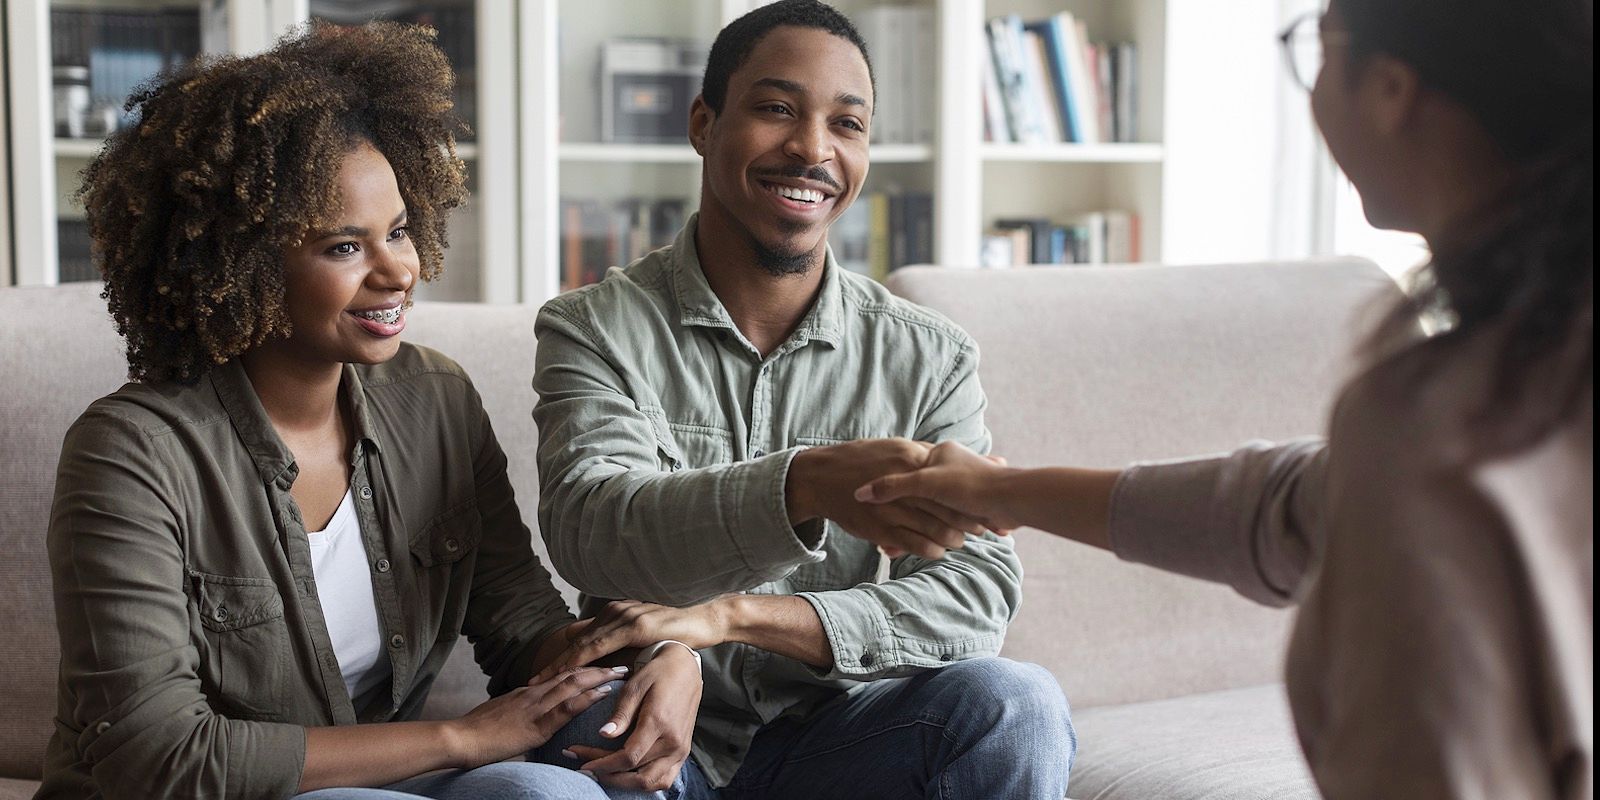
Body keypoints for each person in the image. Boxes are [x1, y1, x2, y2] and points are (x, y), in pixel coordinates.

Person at [855, 1, 1594, 798]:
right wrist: (1002, 491)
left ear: (1390, 89)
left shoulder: (1437, 425)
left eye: (1317, 43)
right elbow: (1277, 507)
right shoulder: (1529, 377)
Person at [36, 22, 702, 800]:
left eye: (398, 230)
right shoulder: (132, 454)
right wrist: (461, 737)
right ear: (243, 263)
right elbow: (157, 755)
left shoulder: (435, 400)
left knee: (560, 783)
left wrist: (668, 657)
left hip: (390, 786)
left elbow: (523, 629)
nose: (400, 270)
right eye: (344, 247)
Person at [530, 2, 1073, 798]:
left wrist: (730, 619)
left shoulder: (929, 357)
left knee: (1017, 706)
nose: (813, 149)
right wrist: (805, 486)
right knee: (578, 723)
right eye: (777, 109)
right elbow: (595, 530)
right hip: (653, 740)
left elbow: (974, 597)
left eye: (846, 124)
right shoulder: (593, 329)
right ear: (703, 123)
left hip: (848, 740)